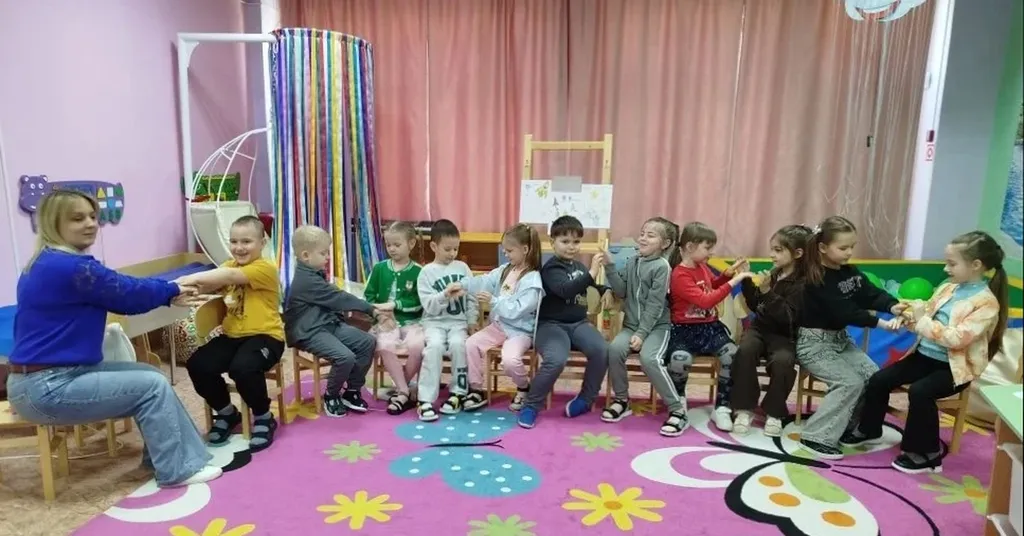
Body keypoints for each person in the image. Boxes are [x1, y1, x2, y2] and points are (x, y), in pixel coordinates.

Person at [6, 190, 221, 487]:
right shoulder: (73, 267)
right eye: (77, 218)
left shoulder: (43, 262)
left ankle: (163, 459)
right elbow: (126, 293)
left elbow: (120, 289)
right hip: (48, 387)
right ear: (55, 224)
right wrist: (171, 290)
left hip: (39, 383)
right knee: (152, 387)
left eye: (93, 216)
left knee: (149, 375)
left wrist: (168, 293)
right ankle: (178, 470)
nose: (91, 224)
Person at [848, 230, 1008, 473]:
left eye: (952, 263)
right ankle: (869, 429)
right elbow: (926, 314)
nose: (945, 268)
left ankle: (926, 454)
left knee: (921, 392)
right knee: (879, 380)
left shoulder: (987, 303)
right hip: (924, 357)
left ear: (976, 265)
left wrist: (921, 320)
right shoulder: (948, 287)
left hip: (954, 368)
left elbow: (957, 339)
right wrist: (907, 317)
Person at [795, 216, 905, 460]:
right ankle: (815, 436)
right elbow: (843, 311)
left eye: (852, 247)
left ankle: (849, 427)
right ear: (823, 248)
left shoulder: (849, 272)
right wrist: (882, 323)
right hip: (814, 344)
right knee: (849, 383)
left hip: (840, 340)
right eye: (843, 248)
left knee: (872, 376)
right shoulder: (815, 278)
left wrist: (893, 305)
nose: (849, 253)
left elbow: (870, 293)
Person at [180, 216, 286, 452]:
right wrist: (181, 290)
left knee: (243, 368)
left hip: (266, 336)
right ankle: (227, 413)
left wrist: (188, 279)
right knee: (198, 365)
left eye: (246, 241)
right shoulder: (229, 265)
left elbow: (228, 277)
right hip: (232, 337)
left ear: (262, 243)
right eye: (234, 241)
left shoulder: (265, 268)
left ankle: (264, 416)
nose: (239, 247)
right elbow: (212, 283)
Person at [283, 225, 391, 417]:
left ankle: (352, 390)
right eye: (323, 253)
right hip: (308, 331)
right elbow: (339, 298)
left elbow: (335, 300)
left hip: (326, 325)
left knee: (367, 342)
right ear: (306, 256)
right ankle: (331, 395)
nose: (328, 257)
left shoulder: (314, 273)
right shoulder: (306, 280)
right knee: (345, 357)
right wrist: (370, 309)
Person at [516, 216, 611, 429]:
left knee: (602, 350)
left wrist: (604, 289)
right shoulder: (550, 269)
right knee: (556, 359)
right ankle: (531, 405)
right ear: (553, 243)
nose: (571, 246)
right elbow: (565, 290)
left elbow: (589, 285)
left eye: (576, 242)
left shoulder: (578, 266)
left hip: (578, 323)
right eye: (565, 241)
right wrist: (592, 272)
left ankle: (586, 399)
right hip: (550, 325)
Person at [661, 221, 755, 433]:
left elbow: (711, 285)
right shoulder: (679, 274)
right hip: (684, 330)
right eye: (707, 247)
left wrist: (727, 274)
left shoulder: (701, 267)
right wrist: (735, 281)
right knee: (679, 360)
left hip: (709, 328)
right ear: (690, 247)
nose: (711, 252)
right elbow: (705, 301)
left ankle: (722, 407)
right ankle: (679, 405)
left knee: (732, 355)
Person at [604, 217, 694, 437]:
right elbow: (621, 291)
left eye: (650, 235)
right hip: (631, 326)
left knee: (649, 359)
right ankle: (622, 400)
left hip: (657, 328)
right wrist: (609, 266)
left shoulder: (662, 267)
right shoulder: (633, 261)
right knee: (614, 350)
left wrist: (642, 334)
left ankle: (678, 410)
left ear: (665, 244)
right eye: (642, 233)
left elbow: (655, 305)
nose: (643, 238)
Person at [730, 224, 813, 436]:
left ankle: (774, 412)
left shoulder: (805, 283)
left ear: (798, 253)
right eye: (772, 249)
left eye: (778, 250)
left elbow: (788, 317)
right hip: (760, 329)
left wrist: (767, 291)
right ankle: (744, 409)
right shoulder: (775, 274)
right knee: (745, 351)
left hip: (785, 335)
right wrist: (746, 279)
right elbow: (756, 305)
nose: (771, 254)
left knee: (783, 361)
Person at [461, 223, 544, 411]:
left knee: (510, 359)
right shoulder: (505, 270)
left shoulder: (533, 281)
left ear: (525, 249)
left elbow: (517, 310)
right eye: (504, 250)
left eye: (509, 250)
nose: (505, 254)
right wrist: (463, 286)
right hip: (499, 327)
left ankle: (524, 387)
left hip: (520, 332)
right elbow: (484, 281)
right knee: (471, 344)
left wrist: (494, 301)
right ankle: (476, 389)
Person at [416, 219, 478, 421]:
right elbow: (429, 306)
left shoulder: (462, 268)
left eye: (456, 249)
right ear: (434, 246)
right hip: (434, 323)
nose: (452, 253)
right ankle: (425, 400)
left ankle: (458, 393)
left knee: (459, 345)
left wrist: (472, 321)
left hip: (458, 323)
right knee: (433, 348)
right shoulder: (426, 272)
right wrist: (445, 294)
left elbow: (472, 297)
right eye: (447, 249)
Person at [363, 221, 426, 416]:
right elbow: (368, 297)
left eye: (397, 245)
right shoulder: (379, 268)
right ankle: (405, 391)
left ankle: (400, 389)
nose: (392, 249)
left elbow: (421, 301)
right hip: (384, 321)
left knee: (418, 346)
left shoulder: (419, 271)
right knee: (384, 345)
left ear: (411, 244)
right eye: (388, 244)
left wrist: (396, 305)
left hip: (412, 322)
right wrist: (380, 315)